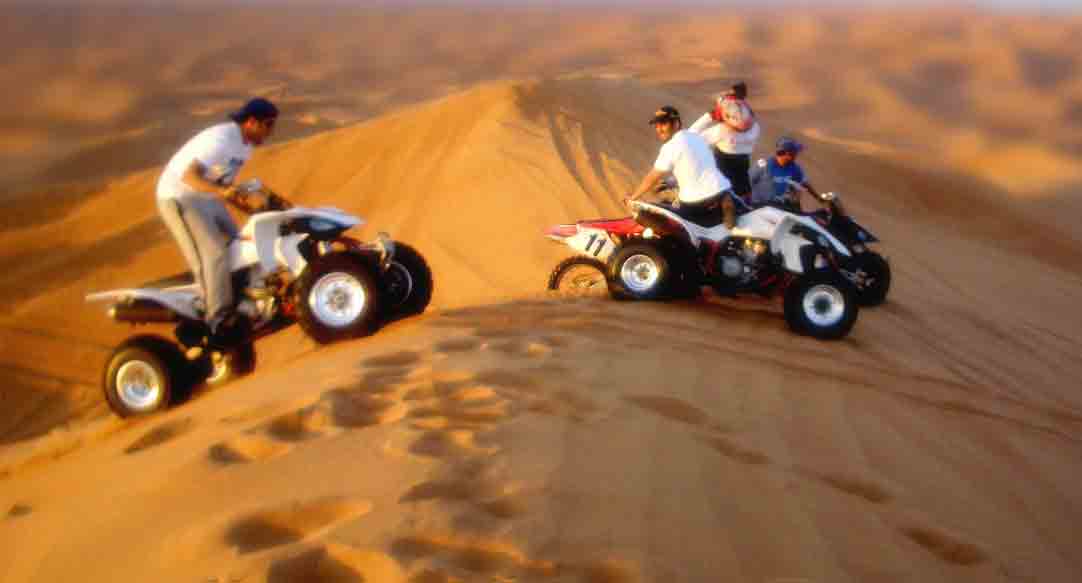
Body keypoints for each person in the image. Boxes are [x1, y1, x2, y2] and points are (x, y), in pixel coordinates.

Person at [155, 97, 278, 345]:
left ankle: (241, 300)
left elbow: (224, 184)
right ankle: (217, 318)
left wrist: (251, 210)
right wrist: (221, 193)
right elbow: (190, 176)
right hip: (178, 196)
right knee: (213, 254)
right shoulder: (220, 140)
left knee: (239, 243)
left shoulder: (245, 146)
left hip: (203, 194)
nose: (270, 131)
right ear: (251, 122)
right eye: (267, 124)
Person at [626, 105, 737, 228]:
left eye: (663, 123)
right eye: (656, 125)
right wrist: (670, 182)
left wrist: (633, 197)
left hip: (694, 203)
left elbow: (652, 177)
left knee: (647, 214)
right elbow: (693, 168)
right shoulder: (695, 137)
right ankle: (725, 202)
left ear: (676, 123)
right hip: (721, 190)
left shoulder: (670, 147)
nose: (659, 129)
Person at [688, 81, 761, 204]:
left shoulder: (721, 131)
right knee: (744, 188)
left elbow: (692, 135)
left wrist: (710, 116)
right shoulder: (755, 128)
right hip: (743, 168)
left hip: (721, 178)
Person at [749, 136, 838, 214]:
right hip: (758, 207)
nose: (797, 154)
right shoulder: (763, 165)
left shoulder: (794, 168)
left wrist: (819, 199)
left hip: (777, 206)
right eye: (795, 152)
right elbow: (746, 181)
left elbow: (805, 184)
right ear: (787, 153)